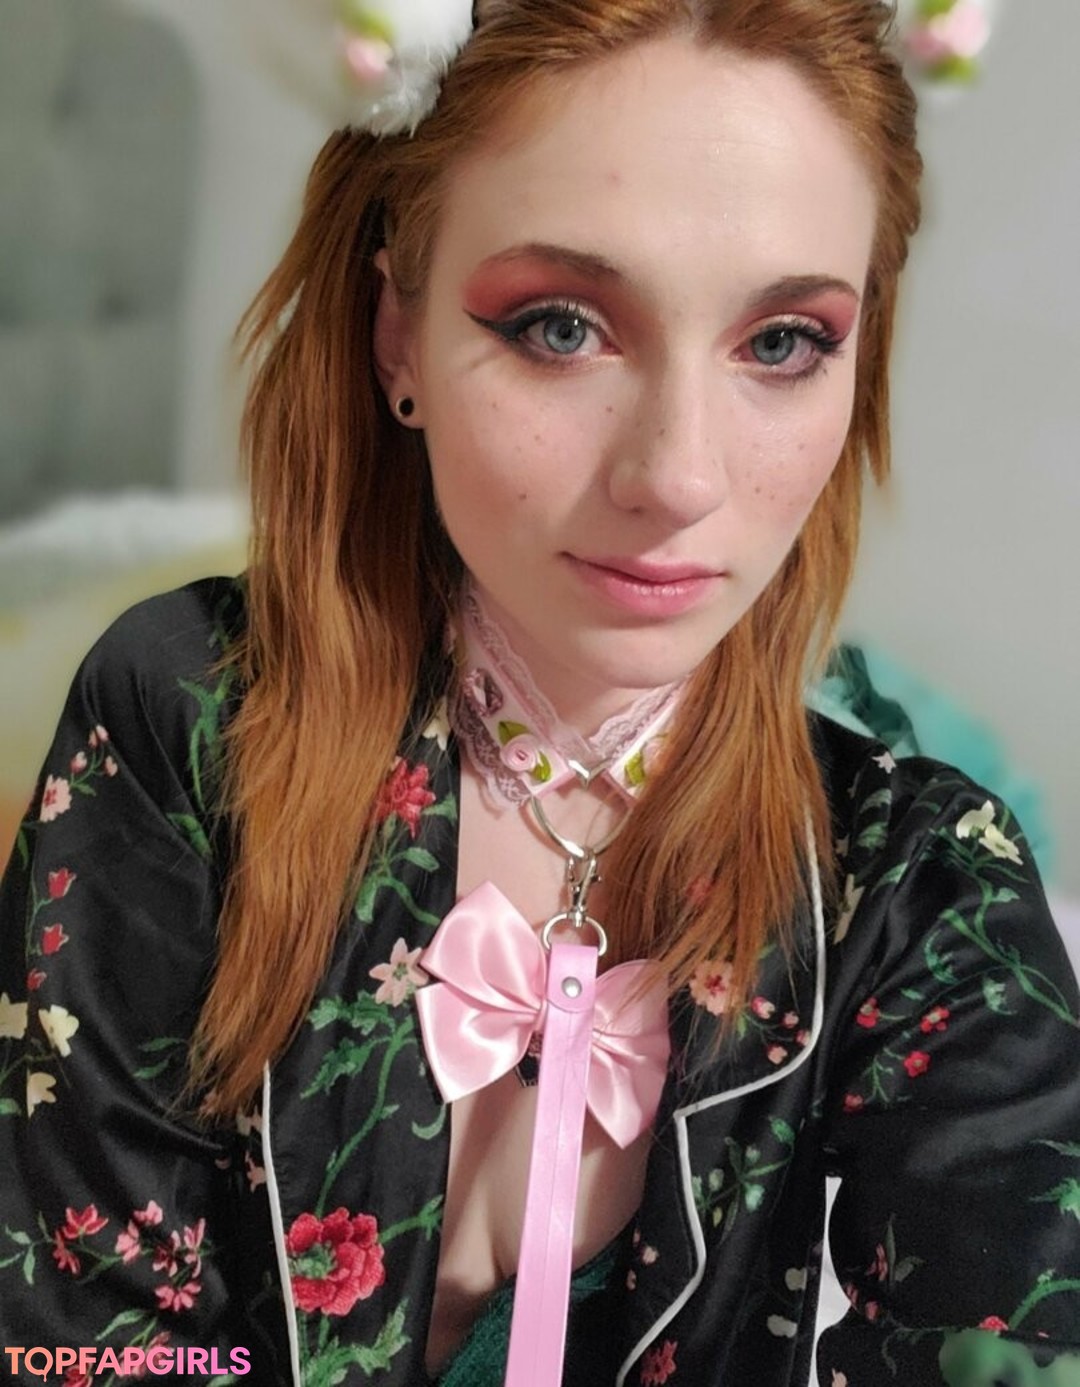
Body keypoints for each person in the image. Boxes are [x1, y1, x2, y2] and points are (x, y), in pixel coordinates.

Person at [1, 2, 1077, 1384]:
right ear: (396, 335)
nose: (677, 476)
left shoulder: (918, 877)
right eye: (561, 326)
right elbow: (82, 1342)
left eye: (782, 342)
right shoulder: (190, 719)